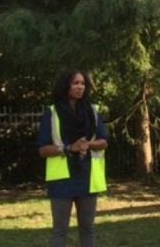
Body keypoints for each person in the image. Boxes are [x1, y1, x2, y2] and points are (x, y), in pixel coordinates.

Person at [38, 69, 109, 247]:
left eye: (83, 83)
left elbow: (103, 141)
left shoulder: (93, 111)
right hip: (62, 180)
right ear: (65, 86)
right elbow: (43, 149)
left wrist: (87, 145)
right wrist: (70, 148)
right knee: (60, 230)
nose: (80, 87)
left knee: (88, 228)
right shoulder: (52, 113)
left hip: (87, 176)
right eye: (75, 83)